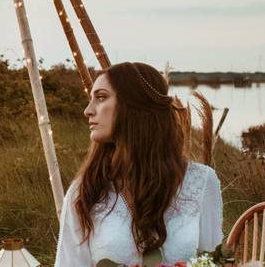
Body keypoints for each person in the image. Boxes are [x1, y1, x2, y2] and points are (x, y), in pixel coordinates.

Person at [54, 62, 223, 267]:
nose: (88, 111)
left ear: (135, 105)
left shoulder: (202, 182)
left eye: (100, 98)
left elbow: (213, 261)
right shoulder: (86, 190)